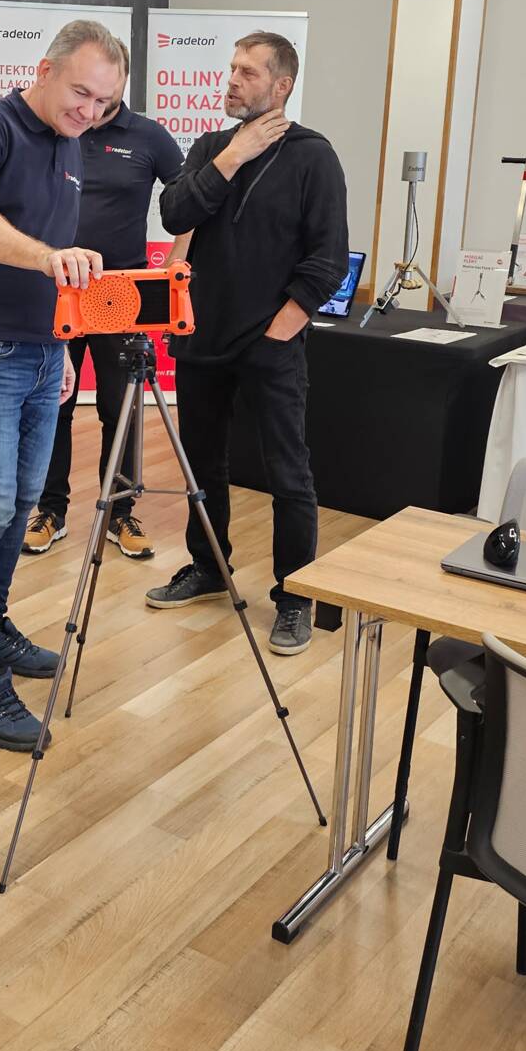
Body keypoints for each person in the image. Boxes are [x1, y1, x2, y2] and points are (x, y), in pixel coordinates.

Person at [0, 20, 127, 750]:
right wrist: (48, 259)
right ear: (44, 70)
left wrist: (64, 346)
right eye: (81, 92)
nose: (89, 111)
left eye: (104, 102)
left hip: (47, 351)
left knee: (21, 506)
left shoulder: (72, 140)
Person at [143, 32, 347, 657]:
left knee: (289, 473)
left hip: (269, 343)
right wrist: (232, 157)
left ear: (282, 86)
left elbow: (328, 258)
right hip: (201, 337)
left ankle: (294, 595)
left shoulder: (314, 157)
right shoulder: (212, 147)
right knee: (203, 465)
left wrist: (283, 326)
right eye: (231, 68)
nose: (231, 80)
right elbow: (175, 213)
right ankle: (209, 566)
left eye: (248, 72)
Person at [22, 85, 184, 561]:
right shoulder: (59, 128)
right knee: (54, 403)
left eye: (106, 89)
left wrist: (177, 261)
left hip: (120, 294)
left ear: (121, 83)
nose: (94, 100)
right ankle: (49, 511)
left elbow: (190, 203)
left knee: (120, 407)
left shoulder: (149, 136)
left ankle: (120, 512)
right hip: (60, 289)